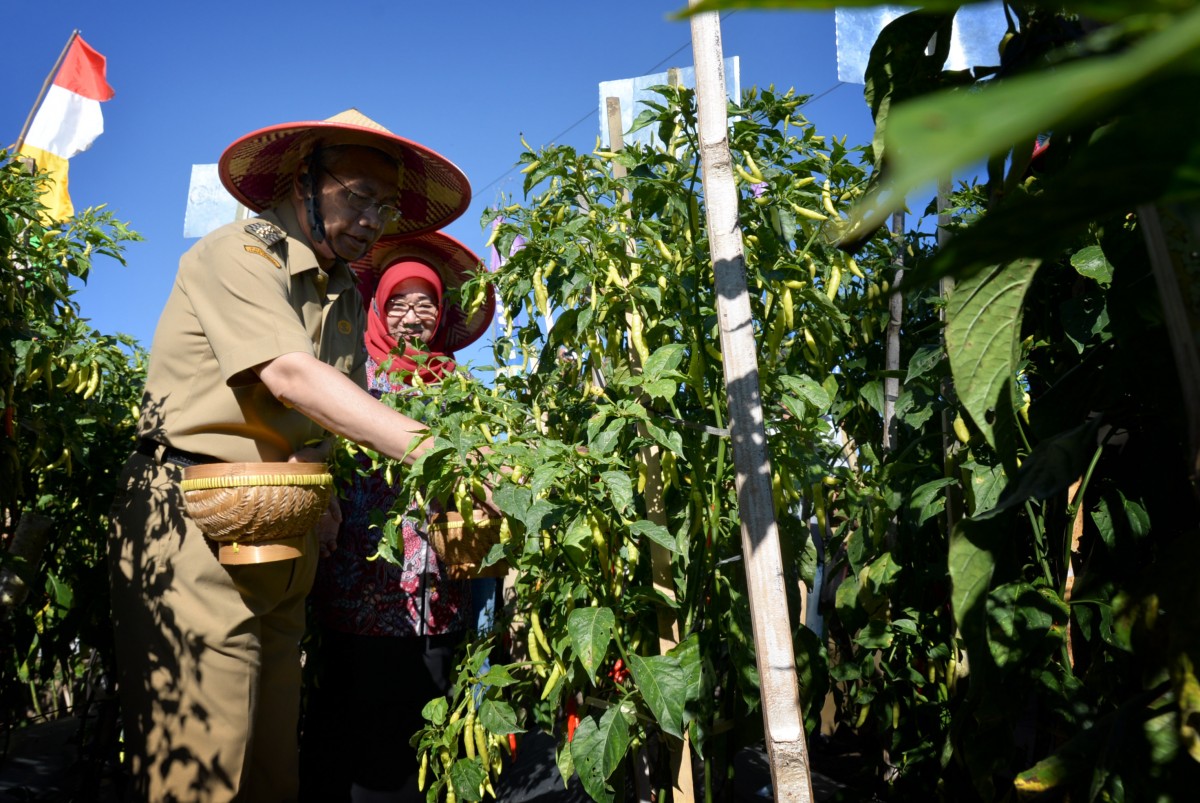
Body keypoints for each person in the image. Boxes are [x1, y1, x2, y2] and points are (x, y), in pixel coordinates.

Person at [106, 109, 479, 803]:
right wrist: (451, 454)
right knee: (201, 772)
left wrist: (330, 492)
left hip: (279, 533)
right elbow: (291, 376)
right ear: (305, 176)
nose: (372, 218)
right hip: (195, 521)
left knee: (272, 768)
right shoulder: (241, 252)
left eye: (385, 205)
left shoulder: (338, 292)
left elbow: (320, 425)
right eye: (357, 195)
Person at [300, 232, 497, 802]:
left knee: (420, 718)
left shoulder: (456, 385)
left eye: (426, 304)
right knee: (348, 715)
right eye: (399, 304)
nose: (413, 317)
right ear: (378, 308)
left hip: (436, 586)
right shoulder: (352, 372)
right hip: (359, 572)